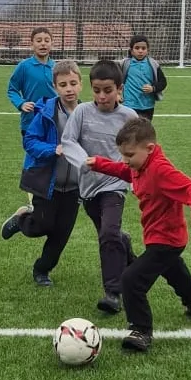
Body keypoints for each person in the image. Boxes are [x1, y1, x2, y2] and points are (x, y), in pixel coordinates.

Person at [86, 117, 191, 353]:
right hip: (158, 236)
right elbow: (125, 171)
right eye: (122, 154)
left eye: (129, 154)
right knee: (172, 269)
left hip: (167, 239)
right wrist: (100, 164)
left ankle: (141, 331)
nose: (126, 160)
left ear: (150, 148)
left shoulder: (160, 170)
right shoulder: (140, 166)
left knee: (131, 280)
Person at [61, 60, 138, 315]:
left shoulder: (129, 117)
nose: (102, 96)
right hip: (88, 188)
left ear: (119, 89)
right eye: (96, 90)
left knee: (107, 233)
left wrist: (136, 177)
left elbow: (140, 150)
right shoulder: (82, 112)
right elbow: (68, 141)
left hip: (115, 185)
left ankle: (113, 293)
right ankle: (124, 245)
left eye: (108, 90)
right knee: (111, 235)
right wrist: (83, 161)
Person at [0, 60, 85, 286]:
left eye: (73, 83)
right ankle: (22, 219)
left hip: (74, 187)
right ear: (55, 87)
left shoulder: (88, 113)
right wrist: (53, 150)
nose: (69, 89)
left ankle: (42, 270)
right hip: (48, 183)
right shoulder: (46, 112)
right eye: (63, 85)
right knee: (42, 226)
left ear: (81, 84)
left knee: (61, 234)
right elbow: (30, 141)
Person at [6, 27, 57, 136]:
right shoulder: (24, 66)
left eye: (47, 40)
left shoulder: (57, 68)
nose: (43, 44)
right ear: (32, 44)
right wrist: (21, 103)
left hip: (53, 121)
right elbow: (12, 89)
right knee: (32, 147)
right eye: (39, 41)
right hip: (30, 122)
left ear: (52, 44)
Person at [119, 35, 167, 121]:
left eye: (143, 48)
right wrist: (117, 94)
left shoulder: (153, 64)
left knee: (144, 128)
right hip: (129, 104)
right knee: (129, 127)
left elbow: (163, 82)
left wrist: (153, 88)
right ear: (131, 50)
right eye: (137, 48)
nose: (140, 51)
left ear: (148, 50)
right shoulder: (124, 64)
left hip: (147, 105)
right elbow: (115, 81)